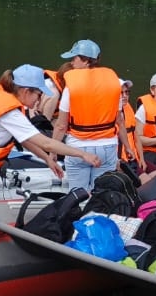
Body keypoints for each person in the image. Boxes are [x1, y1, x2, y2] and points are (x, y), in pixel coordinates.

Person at [0, 64, 100, 204]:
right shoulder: (10, 113)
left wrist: (47, 159)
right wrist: (83, 154)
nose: (38, 100)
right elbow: (47, 143)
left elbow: (24, 138)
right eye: (38, 94)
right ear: (26, 91)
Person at [51, 39, 124, 190]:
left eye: (74, 58)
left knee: (77, 195)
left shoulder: (71, 86)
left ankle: (79, 212)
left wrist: (53, 151)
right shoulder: (114, 81)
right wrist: (127, 147)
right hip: (107, 147)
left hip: (78, 148)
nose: (71, 62)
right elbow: (119, 119)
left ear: (85, 60)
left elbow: (61, 126)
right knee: (102, 196)